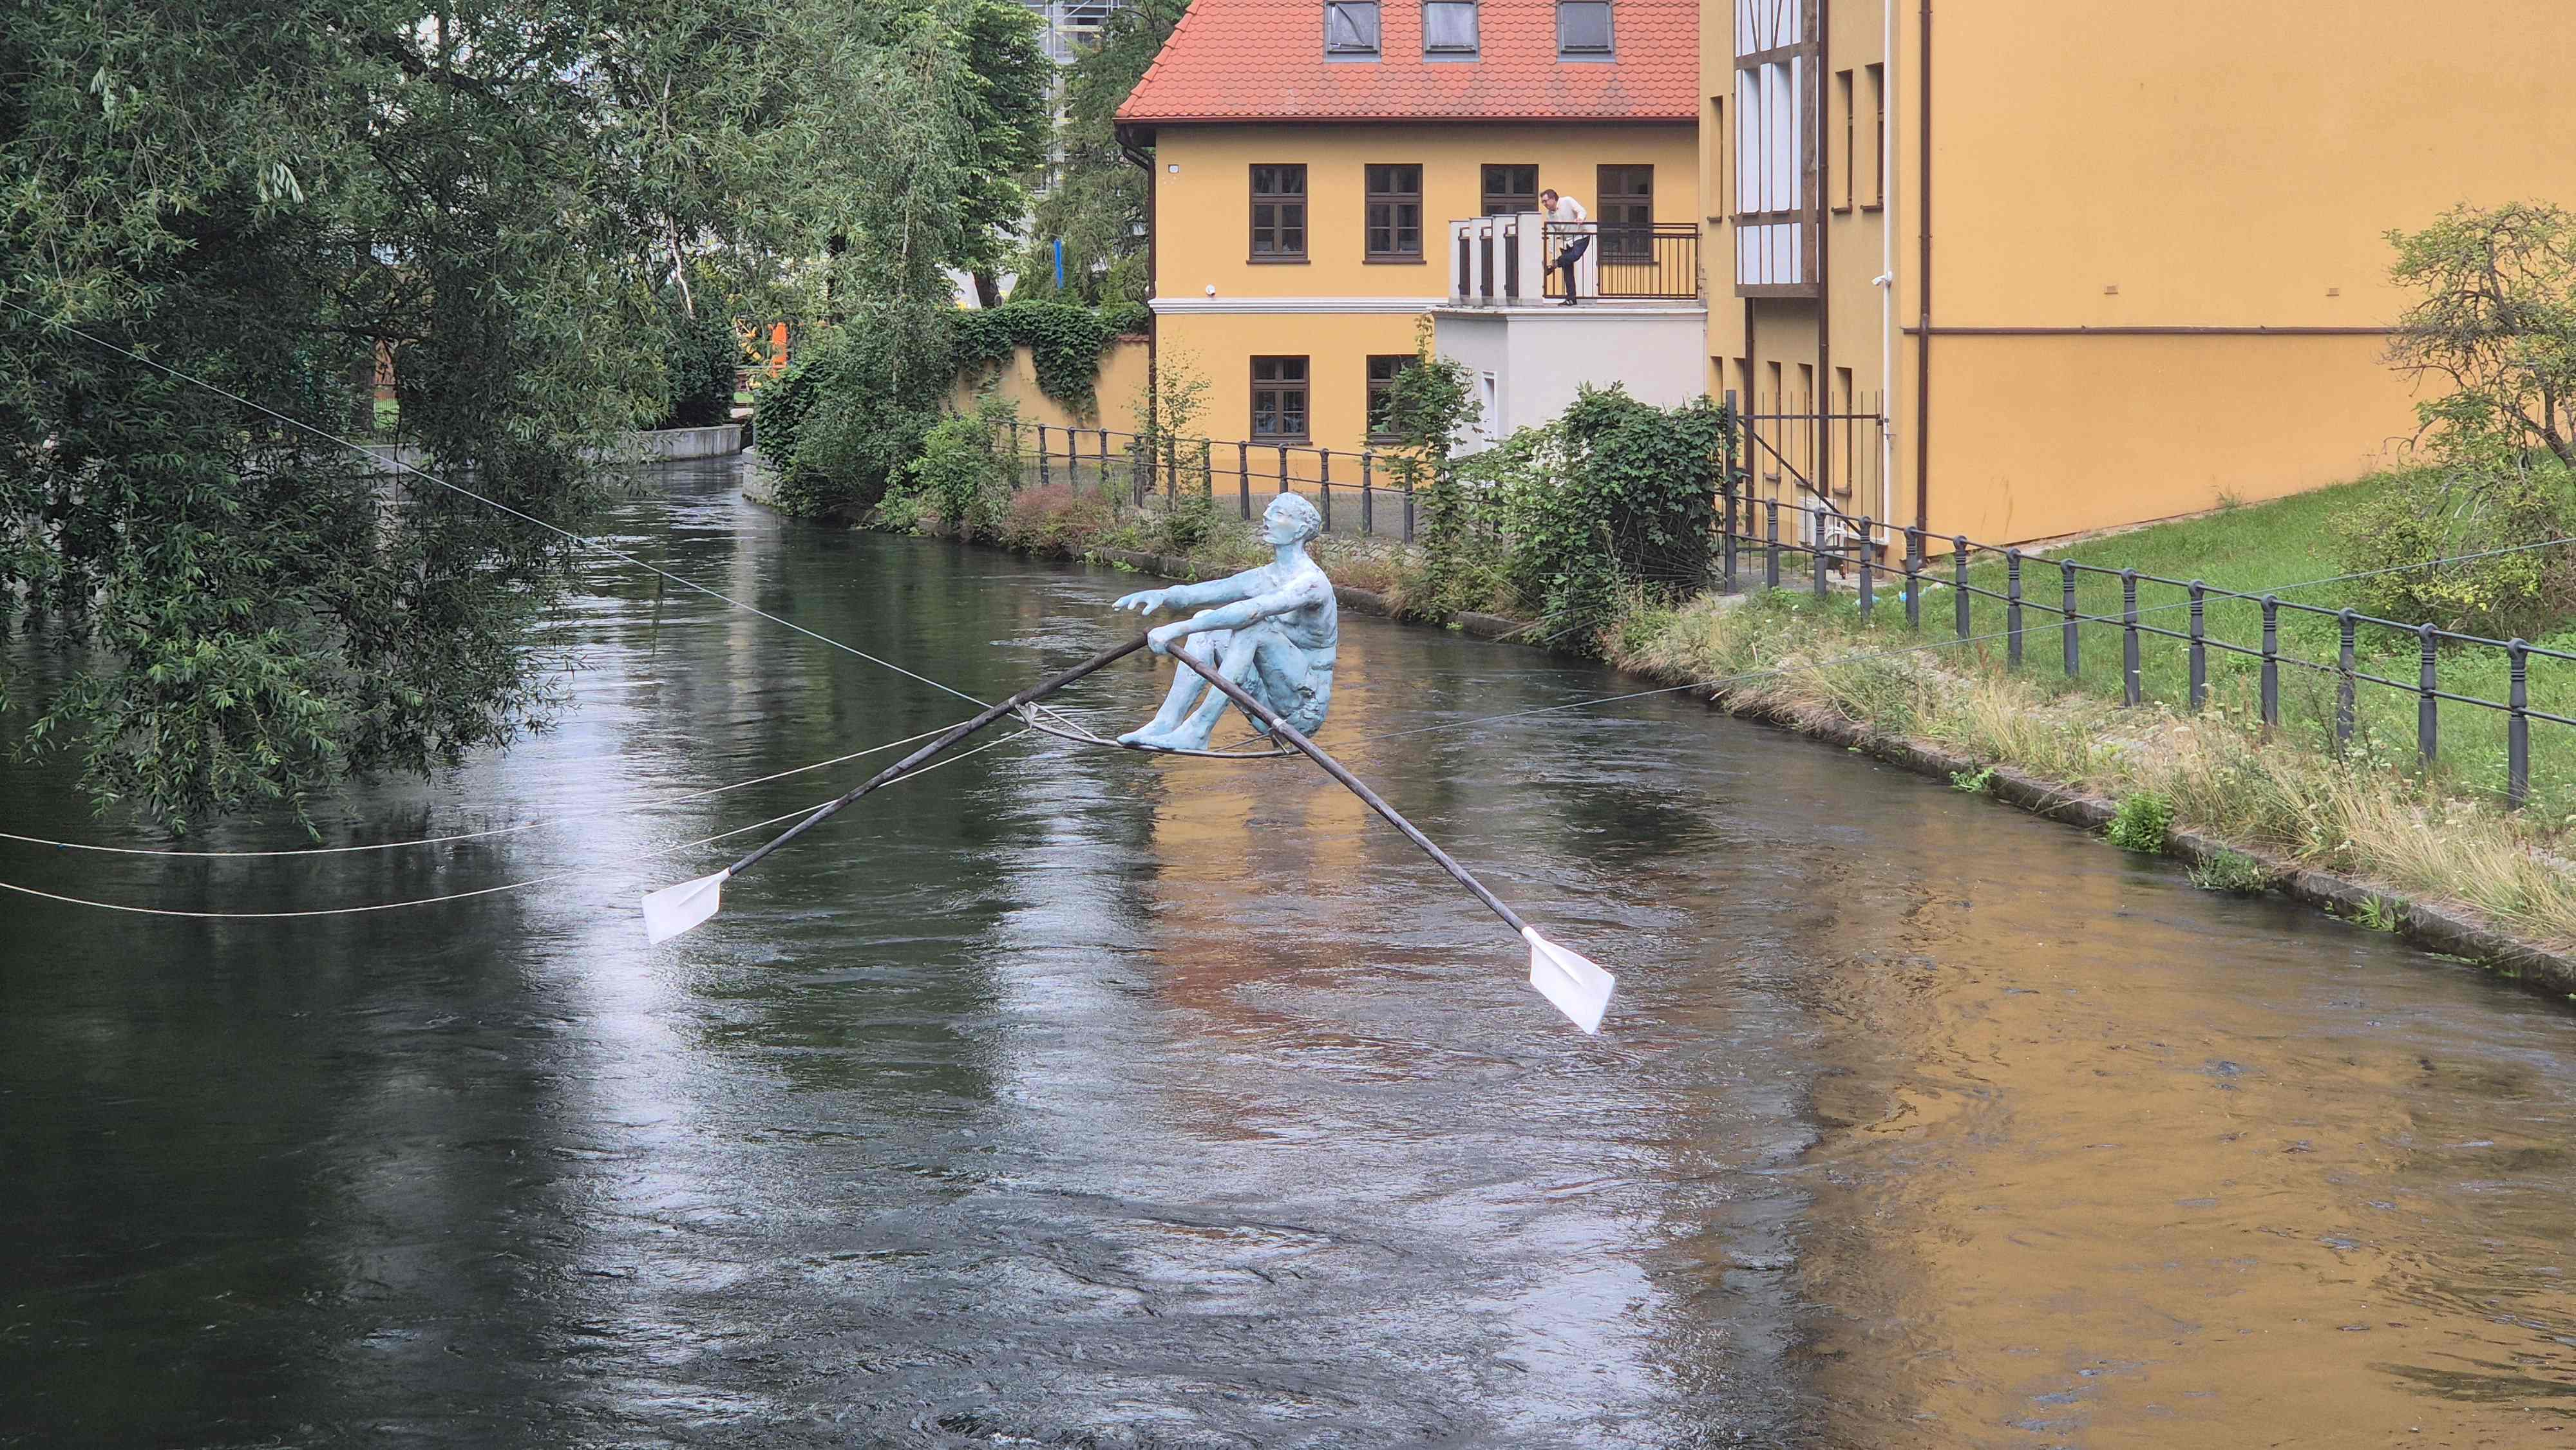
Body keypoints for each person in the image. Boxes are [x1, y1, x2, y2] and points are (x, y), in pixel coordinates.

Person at [1110, 492, 1338, 751]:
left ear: (1300, 530)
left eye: (1278, 513)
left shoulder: (1311, 582)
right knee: (1204, 619)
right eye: (1269, 510)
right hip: (1263, 704)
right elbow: (1204, 592)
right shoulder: (1264, 576)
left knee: (1254, 627)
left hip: (1304, 709)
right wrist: (1162, 595)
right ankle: (1166, 722)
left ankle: (1199, 731)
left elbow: (1251, 611)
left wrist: (1176, 628)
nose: (1266, 516)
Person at [1540, 187, 1589, 305]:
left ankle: (1556, 264)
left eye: (1545, 201)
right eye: (1543, 202)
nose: (1544, 204)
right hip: (1566, 242)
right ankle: (1571, 298)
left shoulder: (1567, 201)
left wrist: (1580, 218)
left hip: (1580, 236)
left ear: (1553, 198)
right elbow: (1551, 237)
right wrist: (1553, 255)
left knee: (1575, 256)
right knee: (1568, 271)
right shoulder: (1549, 216)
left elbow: (1582, 210)